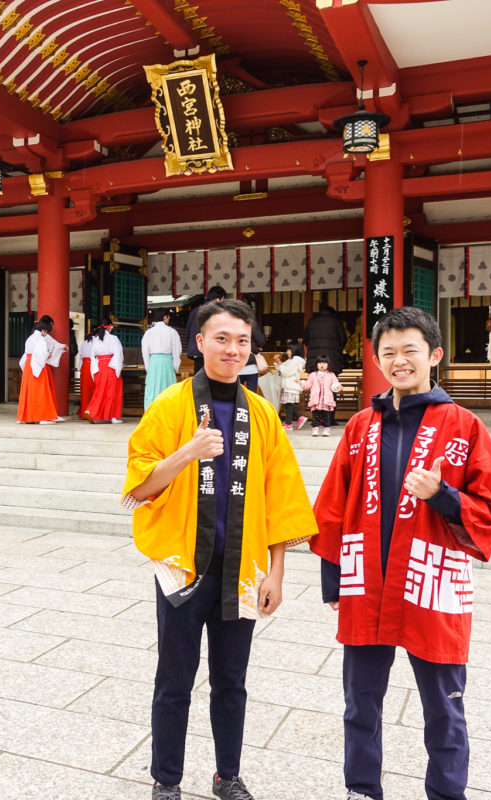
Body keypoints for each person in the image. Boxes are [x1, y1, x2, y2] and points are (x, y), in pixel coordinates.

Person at [309, 306, 491, 800]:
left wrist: (443, 496)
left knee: (444, 706)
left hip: (431, 582)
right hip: (366, 581)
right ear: (378, 360)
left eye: (410, 351)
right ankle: (361, 788)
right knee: (360, 704)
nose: (399, 361)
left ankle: (446, 792)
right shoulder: (360, 426)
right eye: (389, 353)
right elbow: (333, 506)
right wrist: (332, 578)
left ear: (434, 356)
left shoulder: (463, 426)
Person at [122, 298, 317, 800]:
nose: (233, 349)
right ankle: (166, 781)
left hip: (244, 569)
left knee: (232, 682)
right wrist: (187, 452)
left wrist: (276, 572)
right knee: (174, 681)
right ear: (200, 342)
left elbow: (282, 498)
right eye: (222, 338)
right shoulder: (170, 407)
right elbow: (140, 488)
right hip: (185, 570)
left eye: (243, 340)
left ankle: (227, 776)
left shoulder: (264, 414)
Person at [17, 319, 59, 424]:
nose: (46, 334)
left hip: (28, 365)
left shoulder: (30, 338)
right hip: (37, 366)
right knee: (41, 392)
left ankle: (27, 416)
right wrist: (49, 355)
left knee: (29, 392)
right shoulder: (40, 339)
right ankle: (43, 417)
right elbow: (42, 355)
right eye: (47, 332)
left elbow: (26, 355)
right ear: (43, 330)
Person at [85, 318, 124, 424]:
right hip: (111, 365)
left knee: (100, 391)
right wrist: (117, 367)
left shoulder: (96, 339)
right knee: (112, 392)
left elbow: (92, 355)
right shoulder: (114, 338)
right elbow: (118, 353)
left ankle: (91, 411)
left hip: (100, 365)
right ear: (110, 326)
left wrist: (94, 369)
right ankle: (113, 416)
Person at [142, 309, 183, 409]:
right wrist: (175, 366)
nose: (168, 319)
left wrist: (148, 367)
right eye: (168, 317)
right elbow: (177, 350)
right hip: (167, 362)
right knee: (168, 388)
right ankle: (168, 414)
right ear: (165, 317)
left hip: (153, 362)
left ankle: (151, 415)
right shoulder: (172, 332)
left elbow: (145, 351)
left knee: (152, 390)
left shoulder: (149, 332)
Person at [185, 286, 227, 373]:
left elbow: (188, 332)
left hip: (196, 351)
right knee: (213, 378)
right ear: (218, 299)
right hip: (211, 351)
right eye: (223, 300)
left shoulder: (195, 311)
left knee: (198, 378)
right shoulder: (216, 312)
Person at [300, 355, 341, 437]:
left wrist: (337, 386)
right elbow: (308, 385)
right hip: (316, 399)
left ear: (328, 364)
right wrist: (301, 383)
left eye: (324, 363)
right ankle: (315, 429)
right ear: (316, 364)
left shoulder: (331, 375)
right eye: (320, 363)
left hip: (326, 399)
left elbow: (335, 384)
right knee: (315, 416)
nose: (322, 365)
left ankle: (326, 430)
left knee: (326, 415)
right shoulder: (312, 375)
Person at [305, 305, 348, 372]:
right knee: (331, 380)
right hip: (332, 357)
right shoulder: (336, 321)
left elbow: (305, 340)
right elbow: (343, 339)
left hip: (314, 359)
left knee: (315, 379)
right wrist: (338, 349)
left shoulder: (311, 322)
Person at [274, 344, 306, 431]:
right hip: (289, 385)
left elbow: (286, 372)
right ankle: (296, 419)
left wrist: (279, 363)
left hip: (291, 385)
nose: (287, 352)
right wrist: (278, 361)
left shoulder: (295, 361)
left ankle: (289, 423)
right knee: (290, 406)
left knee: (288, 405)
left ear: (294, 351)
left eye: (289, 350)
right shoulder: (291, 360)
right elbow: (283, 366)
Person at [235, 318, 267, 392]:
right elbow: (261, 341)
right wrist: (255, 348)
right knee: (252, 394)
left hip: (236, 365)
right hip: (251, 366)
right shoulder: (251, 324)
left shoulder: (232, 323)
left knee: (237, 394)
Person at [77, 327, 97, 420]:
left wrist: (79, 368)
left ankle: (83, 411)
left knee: (85, 390)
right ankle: (92, 411)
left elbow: (80, 356)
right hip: (93, 366)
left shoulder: (84, 343)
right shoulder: (96, 342)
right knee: (94, 390)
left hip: (84, 366)